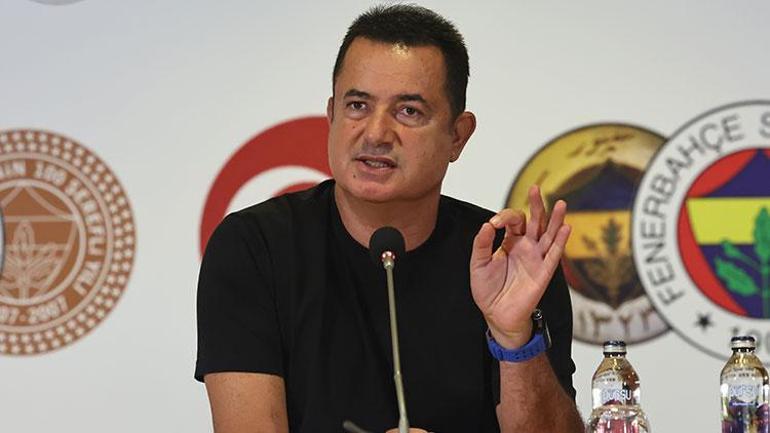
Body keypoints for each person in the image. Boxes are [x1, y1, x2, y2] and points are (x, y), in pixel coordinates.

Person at [196, 4, 584, 433]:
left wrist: (514, 337)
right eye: (357, 105)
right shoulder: (256, 247)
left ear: (457, 135)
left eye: (408, 111)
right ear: (331, 115)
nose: (376, 133)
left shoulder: (506, 258)